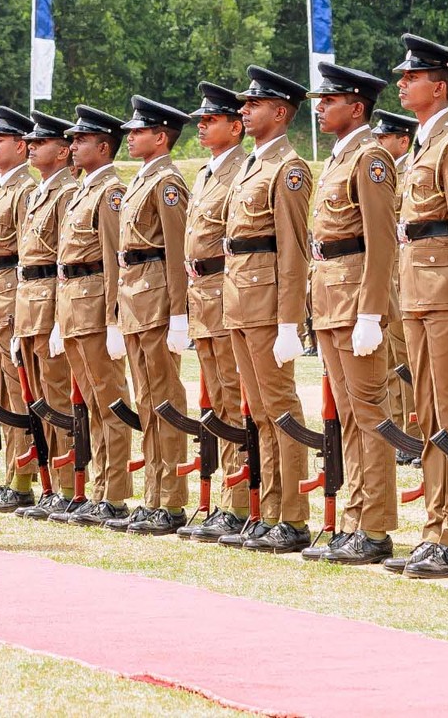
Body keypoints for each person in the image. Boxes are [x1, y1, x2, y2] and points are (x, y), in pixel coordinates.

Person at [385, 35, 448, 579]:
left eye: (412, 77)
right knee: (428, 414)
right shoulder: (423, 143)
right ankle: (435, 525)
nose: (402, 84)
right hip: (418, 295)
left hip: (444, 295)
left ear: (439, 87)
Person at [304, 62, 401, 565]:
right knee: (348, 416)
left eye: (330, 100)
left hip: (354, 300)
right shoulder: (340, 157)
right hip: (330, 298)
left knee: (368, 414)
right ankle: (355, 518)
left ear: (357, 107)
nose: (320, 108)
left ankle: (375, 525)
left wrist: (371, 312)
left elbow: (381, 241)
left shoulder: (370, 158)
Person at [222, 65, 314, 554]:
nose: (244, 110)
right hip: (241, 301)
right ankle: (271, 509)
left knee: (280, 408)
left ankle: (293, 516)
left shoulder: (288, 168)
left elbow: (292, 250)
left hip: (266, 304)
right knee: (258, 412)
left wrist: (289, 322)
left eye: (254, 104)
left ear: (280, 113)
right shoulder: (252, 165)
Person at [111, 96, 193, 535]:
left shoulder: (167, 183)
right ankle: (154, 494)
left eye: (139, 131)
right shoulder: (142, 180)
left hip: (158, 300)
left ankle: (172, 499)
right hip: (136, 300)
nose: (130, 136)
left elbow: (178, 252)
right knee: (146, 400)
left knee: (165, 399)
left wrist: (179, 313)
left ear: (161, 137)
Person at [175, 83, 253, 542]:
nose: (201, 127)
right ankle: (229, 498)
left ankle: (242, 500)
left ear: (235, 127)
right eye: (200, 121)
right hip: (203, 294)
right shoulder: (207, 173)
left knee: (236, 397)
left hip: (229, 291)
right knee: (219, 402)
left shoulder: (240, 171)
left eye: (211, 120)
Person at [51, 104, 135, 526]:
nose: (73, 146)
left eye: (81, 140)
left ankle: (114, 494)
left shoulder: (110, 192)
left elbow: (114, 259)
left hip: (96, 307)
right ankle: (100, 487)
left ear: (103, 147)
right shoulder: (82, 190)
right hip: (74, 307)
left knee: (110, 402)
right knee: (93, 405)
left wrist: (114, 319)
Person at [12, 111, 78, 520]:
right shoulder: (40, 192)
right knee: (39, 399)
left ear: (63, 150)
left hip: (52, 302)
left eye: (41, 142)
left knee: (59, 398)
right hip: (29, 304)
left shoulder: (66, 192)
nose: (32, 147)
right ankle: (52, 482)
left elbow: (63, 262)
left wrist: (57, 320)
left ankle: (69, 484)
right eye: (31, 142)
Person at [0, 105, 39, 512]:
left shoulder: (24, 190)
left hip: (11, 297)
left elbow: (24, 254)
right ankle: (12, 476)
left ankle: (21, 478)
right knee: (0, 388)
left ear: (21, 146)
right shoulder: (0, 187)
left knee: (18, 392)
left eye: (1, 139)